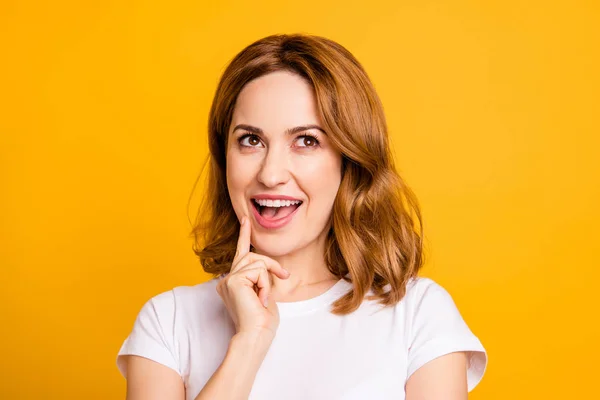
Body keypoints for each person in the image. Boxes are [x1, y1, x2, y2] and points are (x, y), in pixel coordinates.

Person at [116, 33, 487, 400]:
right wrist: (249, 342)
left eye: (306, 140)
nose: (271, 173)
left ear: (349, 160)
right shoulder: (169, 321)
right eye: (251, 140)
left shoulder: (418, 315)